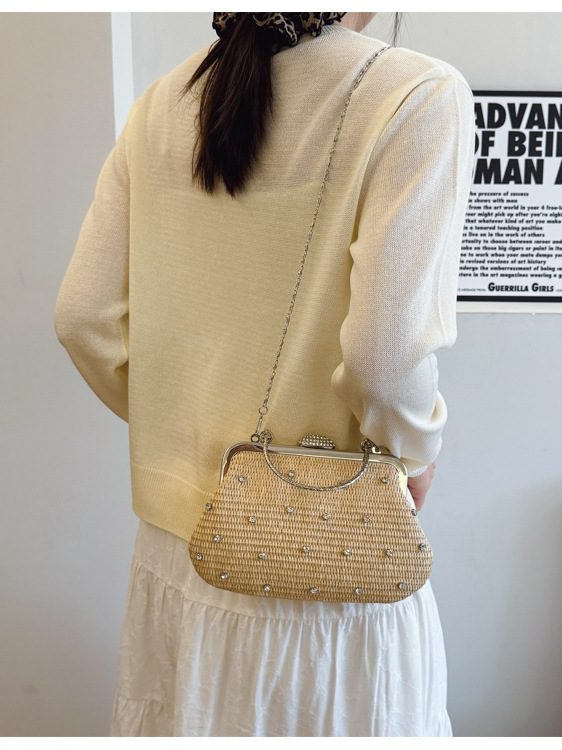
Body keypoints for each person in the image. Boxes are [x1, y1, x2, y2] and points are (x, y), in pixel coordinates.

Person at [54, 11, 475, 737]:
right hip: (329, 564)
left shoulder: (161, 103)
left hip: (179, 560)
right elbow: (385, 358)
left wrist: (176, 420)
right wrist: (415, 453)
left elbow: (82, 318)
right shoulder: (416, 94)